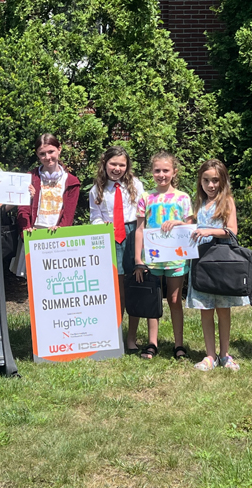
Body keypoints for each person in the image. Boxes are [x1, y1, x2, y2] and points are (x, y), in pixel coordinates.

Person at [187, 159, 246, 371]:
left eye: (215, 180)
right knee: (205, 309)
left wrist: (209, 231)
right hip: (201, 263)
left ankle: (225, 354)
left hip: (221, 263)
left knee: (223, 309)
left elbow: (232, 231)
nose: (211, 185)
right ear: (200, 181)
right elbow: (190, 224)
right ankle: (210, 355)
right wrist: (178, 224)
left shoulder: (227, 201)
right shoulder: (199, 204)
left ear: (223, 181)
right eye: (206, 180)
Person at [133, 151, 192, 360]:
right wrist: (138, 260)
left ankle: (179, 344)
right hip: (152, 257)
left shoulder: (183, 198)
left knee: (175, 299)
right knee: (153, 300)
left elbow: (190, 226)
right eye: (157, 170)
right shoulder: (145, 197)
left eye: (165, 170)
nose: (161, 174)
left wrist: (178, 222)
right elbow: (139, 229)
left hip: (176, 257)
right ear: (152, 172)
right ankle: (152, 343)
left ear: (174, 172)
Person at [89, 146, 145, 353]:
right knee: (115, 290)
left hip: (132, 235)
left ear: (127, 166)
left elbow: (142, 214)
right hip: (110, 237)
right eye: (113, 164)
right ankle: (113, 336)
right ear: (104, 163)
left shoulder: (136, 185)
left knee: (134, 287)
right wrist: (101, 227)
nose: (117, 168)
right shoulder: (96, 189)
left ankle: (131, 337)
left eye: (122, 165)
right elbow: (94, 215)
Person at [10, 133, 80, 275]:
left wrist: (62, 230)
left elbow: (69, 213)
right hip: (34, 233)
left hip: (58, 234)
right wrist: (26, 229)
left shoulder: (72, 182)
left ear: (59, 149)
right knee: (34, 278)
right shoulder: (30, 178)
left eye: (51, 152)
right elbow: (22, 208)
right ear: (37, 155)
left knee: (57, 276)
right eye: (42, 154)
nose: (47, 157)